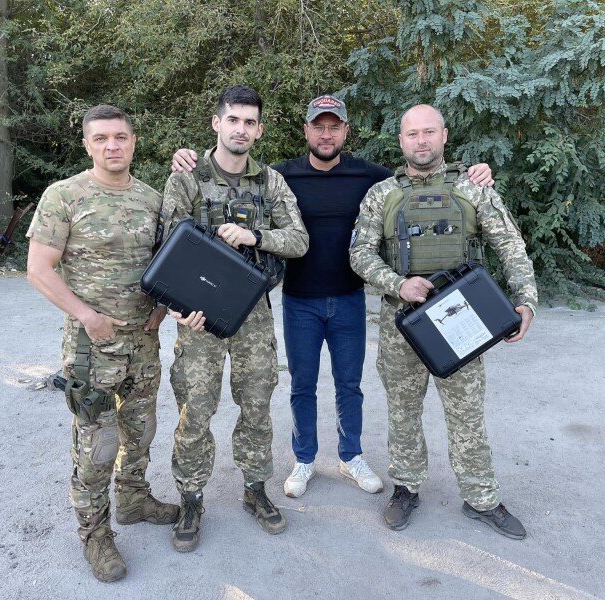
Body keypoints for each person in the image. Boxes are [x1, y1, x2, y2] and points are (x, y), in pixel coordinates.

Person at [171, 95, 494, 499]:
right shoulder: (280, 177)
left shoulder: (371, 177)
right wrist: (187, 157)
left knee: (349, 385)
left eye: (334, 127)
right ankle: (304, 459)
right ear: (306, 130)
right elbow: (237, 190)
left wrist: (477, 171)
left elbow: (419, 176)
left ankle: (351, 456)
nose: (326, 134)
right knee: (302, 386)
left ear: (345, 131)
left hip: (348, 300)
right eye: (318, 127)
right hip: (300, 301)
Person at [26, 105, 202, 582]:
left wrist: (163, 307)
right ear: (87, 145)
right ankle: (95, 534)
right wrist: (86, 315)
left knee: (140, 431)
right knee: (97, 445)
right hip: (92, 349)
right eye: (101, 138)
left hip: (143, 344)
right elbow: (38, 269)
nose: (112, 146)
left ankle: (133, 500)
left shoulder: (151, 200)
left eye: (120, 137)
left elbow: (170, 262)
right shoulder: (64, 195)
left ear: (133, 141)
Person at [349, 104, 538, 538]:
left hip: (461, 320)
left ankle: (481, 498)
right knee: (403, 412)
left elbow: (510, 246)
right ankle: (406, 489)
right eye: (412, 133)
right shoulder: (382, 194)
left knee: (467, 415)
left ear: (444, 135)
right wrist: (398, 284)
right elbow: (359, 254)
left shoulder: (473, 188)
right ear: (401, 140)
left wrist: (526, 300)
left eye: (429, 132)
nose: (421, 141)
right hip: (403, 323)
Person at [160, 85, 308, 552]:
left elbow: (299, 240)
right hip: (198, 317)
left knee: (257, 407)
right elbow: (167, 248)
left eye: (249, 122)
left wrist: (254, 236)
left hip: (252, 314)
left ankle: (255, 489)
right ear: (216, 123)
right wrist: (178, 308)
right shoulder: (187, 178)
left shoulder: (270, 182)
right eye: (233, 119)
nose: (241, 129)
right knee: (195, 411)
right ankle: (190, 498)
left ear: (259, 130)